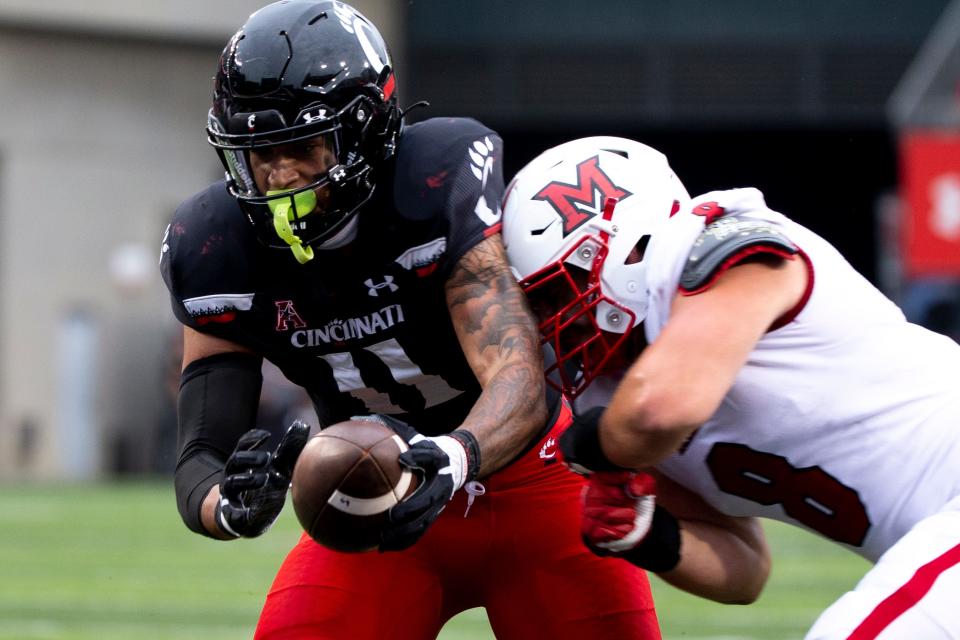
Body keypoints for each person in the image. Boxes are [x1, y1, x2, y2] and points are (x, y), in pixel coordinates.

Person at [160, 4, 661, 639]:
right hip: (369, 497)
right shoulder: (212, 248)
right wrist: (228, 504)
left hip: (534, 479)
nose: (279, 176)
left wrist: (452, 458)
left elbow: (519, 377)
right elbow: (200, 455)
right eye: (259, 155)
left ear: (366, 129)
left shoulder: (432, 183)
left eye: (300, 147)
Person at [501, 136, 960, 639]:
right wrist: (649, 534)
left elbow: (661, 411)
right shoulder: (611, 396)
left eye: (558, 290)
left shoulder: (723, 243)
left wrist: (593, 446)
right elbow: (745, 569)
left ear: (626, 248)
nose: (551, 320)